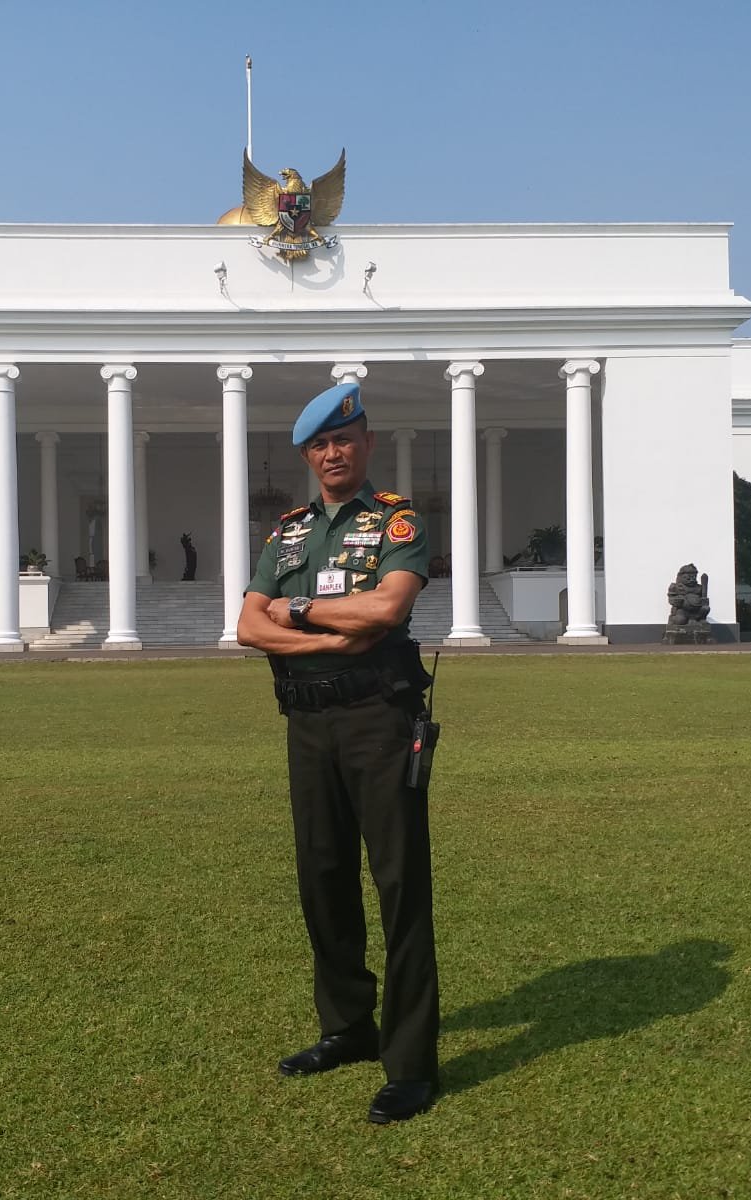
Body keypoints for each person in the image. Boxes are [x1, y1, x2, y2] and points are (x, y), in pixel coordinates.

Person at [236, 379, 440, 1124]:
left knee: (398, 886)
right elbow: (247, 627)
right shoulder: (286, 533)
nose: (330, 453)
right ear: (305, 454)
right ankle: (347, 1027)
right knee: (321, 878)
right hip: (306, 722)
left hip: (377, 721)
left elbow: (386, 610)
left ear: (366, 445)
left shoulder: (396, 523)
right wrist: (323, 625)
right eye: (318, 444)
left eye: (342, 440)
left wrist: (290, 612)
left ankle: (411, 1062)